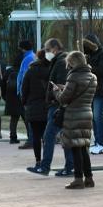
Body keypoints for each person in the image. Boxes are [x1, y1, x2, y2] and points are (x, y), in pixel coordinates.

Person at [32, 39, 76, 177]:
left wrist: (54, 96)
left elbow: (62, 85)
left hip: (57, 105)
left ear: (55, 48)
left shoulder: (61, 62)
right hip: (58, 104)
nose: (46, 52)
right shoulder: (57, 61)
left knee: (49, 135)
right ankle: (69, 167)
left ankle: (45, 166)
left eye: (47, 49)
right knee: (64, 136)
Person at [56, 50, 98, 188]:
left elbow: (64, 99)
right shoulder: (93, 77)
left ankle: (78, 178)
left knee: (75, 147)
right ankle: (89, 178)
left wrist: (57, 91)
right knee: (84, 147)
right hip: (87, 113)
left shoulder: (73, 76)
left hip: (74, 115)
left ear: (73, 62)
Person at [21, 48, 52, 170]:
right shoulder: (51, 70)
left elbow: (25, 89)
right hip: (47, 106)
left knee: (36, 135)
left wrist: (25, 103)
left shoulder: (30, 71)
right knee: (47, 136)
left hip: (33, 107)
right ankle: (46, 161)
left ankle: (38, 161)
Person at [83, 34, 103, 155]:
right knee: (93, 118)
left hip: (100, 89)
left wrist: (89, 67)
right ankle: (96, 142)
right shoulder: (90, 55)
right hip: (90, 90)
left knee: (98, 116)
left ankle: (101, 143)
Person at [14, 39, 36, 149]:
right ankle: (32, 139)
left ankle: (31, 140)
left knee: (29, 117)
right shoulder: (31, 56)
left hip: (26, 92)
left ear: (23, 48)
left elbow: (24, 75)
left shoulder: (28, 58)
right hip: (27, 91)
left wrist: (21, 91)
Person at [4, 51, 25, 144]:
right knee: (26, 118)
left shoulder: (9, 71)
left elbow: (3, 84)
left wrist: (5, 97)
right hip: (21, 97)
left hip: (11, 98)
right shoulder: (24, 70)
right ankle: (30, 137)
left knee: (14, 119)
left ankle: (13, 137)